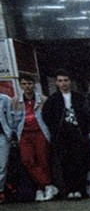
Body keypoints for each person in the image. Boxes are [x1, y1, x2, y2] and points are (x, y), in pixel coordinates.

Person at [11, 73, 60, 202]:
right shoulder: (15, 101)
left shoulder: (43, 100)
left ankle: (41, 188)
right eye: (24, 84)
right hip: (24, 135)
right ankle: (47, 184)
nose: (27, 87)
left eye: (30, 84)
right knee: (27, 160)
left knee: (43, 160)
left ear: (34, 85)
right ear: (21, 85)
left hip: (40, 132)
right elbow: (14, 121)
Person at [42, 70, 90, 199]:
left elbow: (87, 115)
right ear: (57, 83)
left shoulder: (79, 98)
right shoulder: (52, 100)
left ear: (70, 81)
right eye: (61, 81)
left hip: (78, 135)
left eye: (66, 80)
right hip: (61, 136)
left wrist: (85, 130)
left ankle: (81, 189)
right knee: (65, 163)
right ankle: (69, 190)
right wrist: (55, 129)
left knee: (80, 162)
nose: (63, 83)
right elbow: (46, 116)